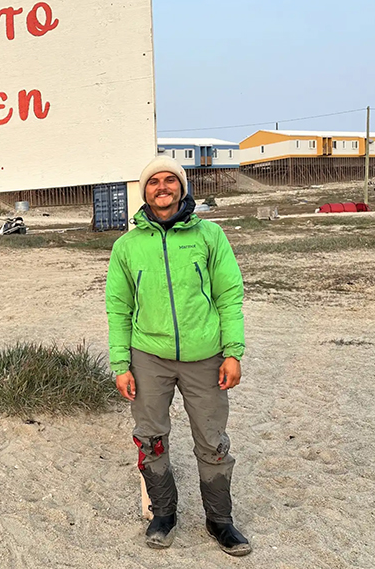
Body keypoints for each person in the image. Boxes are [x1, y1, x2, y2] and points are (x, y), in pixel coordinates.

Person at [105, 156, 251, 556]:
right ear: (144, 191)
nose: (163, 187)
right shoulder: (127, 246)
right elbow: (118, 307)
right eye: (155, 182)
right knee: (151, 438)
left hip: (205, 357)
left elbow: (229, 295)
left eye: (171, 180)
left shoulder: (209, 236)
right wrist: (121, 364)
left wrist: (232, 352)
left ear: (182, 188)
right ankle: (163, 514)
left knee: (212, 439)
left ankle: (220, 521)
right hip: (148, 357)